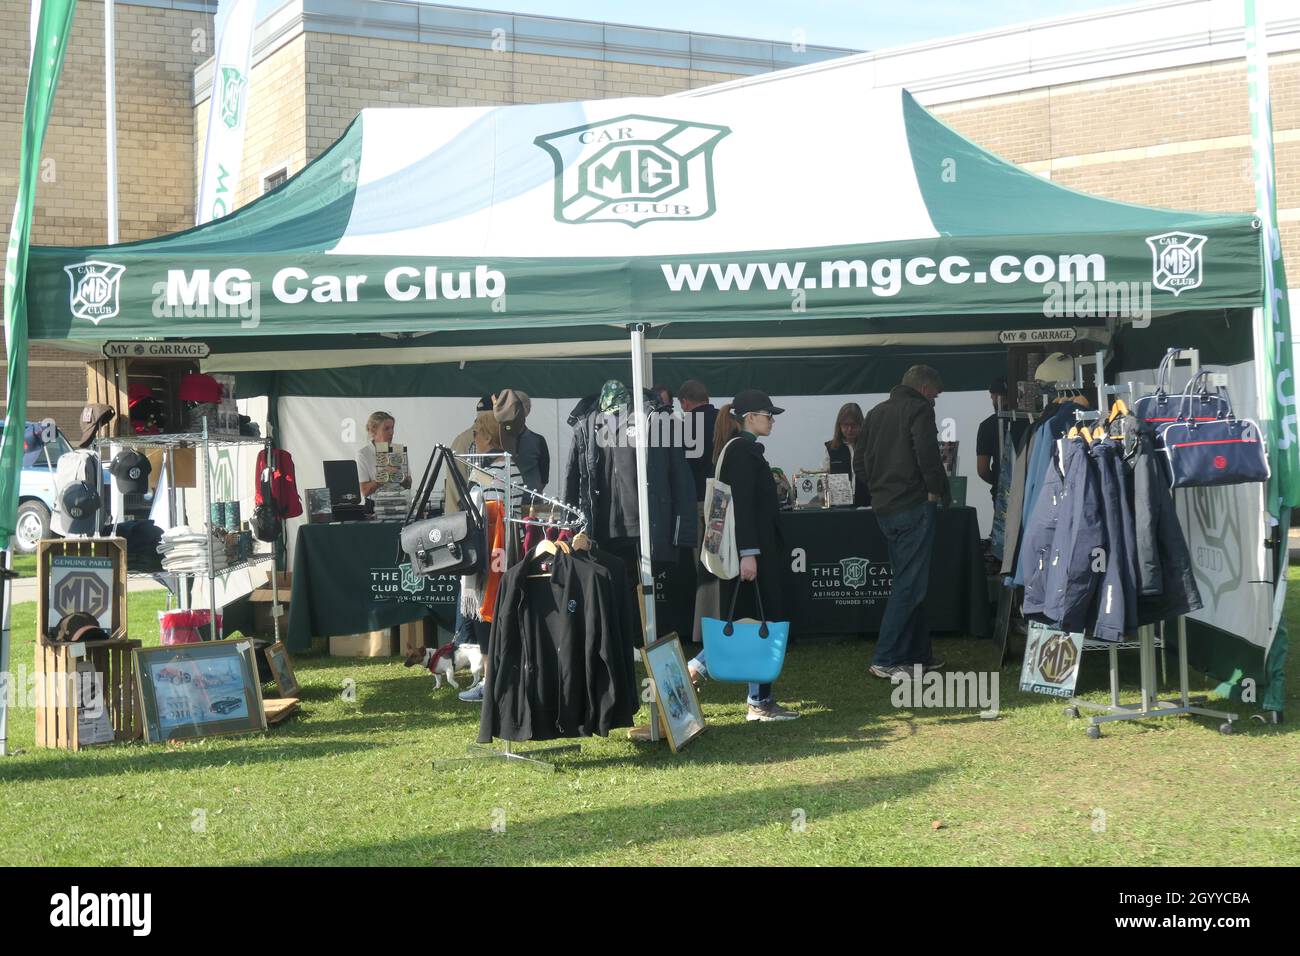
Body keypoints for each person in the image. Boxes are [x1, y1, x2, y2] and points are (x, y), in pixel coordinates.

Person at [687, 390, 799, 721]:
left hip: (751, 551)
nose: (772, 421)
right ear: (750, 416)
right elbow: (744, 509)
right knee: (754, 622)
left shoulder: (739, 450)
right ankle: (704, 671)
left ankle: (757, 698)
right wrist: (749, 554)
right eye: (768, 415)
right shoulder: (741, 452)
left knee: (752, 623)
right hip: (751, 553)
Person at [860, 366, 949, 680]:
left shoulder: (875, 413)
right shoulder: (918, 409)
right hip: (913, 505)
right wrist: (936, 491)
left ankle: (917, 655)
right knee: (909, 585)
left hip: (885, 507)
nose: (935, 402)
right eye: (935, 396)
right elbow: (927, 454)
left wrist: (878, 490)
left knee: (910, 581)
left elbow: (859, 461)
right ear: (925, 390)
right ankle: (886, 658)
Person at [677, 379, 718, 540]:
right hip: (726, 496)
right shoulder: (727, 420)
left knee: (702, 553)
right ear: (706, 398)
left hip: (698, 498)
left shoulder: (681, 427)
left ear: (685, 402)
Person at [493, 389, 550, 492]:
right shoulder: (494, 438)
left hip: (531, 502)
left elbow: (544, 478)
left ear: (526, 410)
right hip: (503, 500)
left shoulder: (538, 441)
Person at [357, 411, 411, 500]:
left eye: (392, 428)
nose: (391, 432)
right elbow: (365, 491)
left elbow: (408, 485)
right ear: (374, 431)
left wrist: (401, 476)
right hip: (375, 507)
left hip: (398, 503)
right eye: (386, 429)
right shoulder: (363, 454)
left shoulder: (398, 450)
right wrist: (384, 476)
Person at [975, 378, 1008, 504]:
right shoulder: (1028, 422)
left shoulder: (987, 426)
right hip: (1028, 490)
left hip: (1002, 493)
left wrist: (997, 482)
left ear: (994, 396)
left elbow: (982, 470)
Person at [821, 402, 864, 489]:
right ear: (839, 425)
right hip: (840, 502)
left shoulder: (869, 447)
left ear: (861, 424)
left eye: (853, 425)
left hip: (866, 501)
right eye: (845, 425)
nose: (849, 429)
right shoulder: (830, 449)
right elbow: (824, 478)